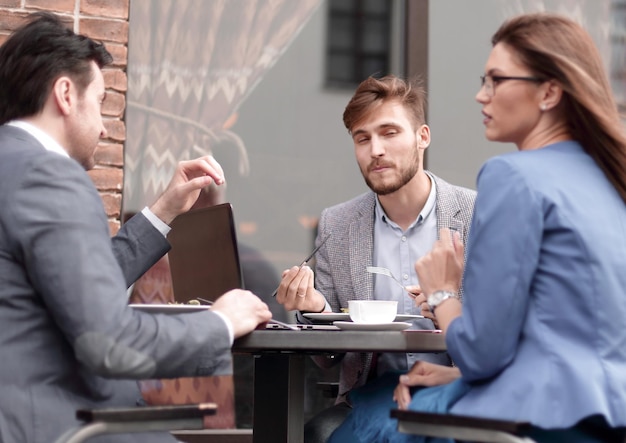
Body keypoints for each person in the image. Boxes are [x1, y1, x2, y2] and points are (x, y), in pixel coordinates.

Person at [329, 12, 626, 443]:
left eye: (496, 81)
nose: (480, 96)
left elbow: (483, 354)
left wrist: (442, 291)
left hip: (536, 419)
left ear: (548, 91)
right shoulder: (606, 179)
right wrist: (455, 372)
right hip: (605, 414)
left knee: (362, 430)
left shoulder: (513, 178)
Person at [0, 12, 272, 443]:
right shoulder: (48, 176)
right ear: (66, 94)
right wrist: (219, 322)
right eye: (103, 102)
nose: (107, 125)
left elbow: (70, 284)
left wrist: (163, 210)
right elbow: (107, 343)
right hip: (58, 425)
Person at [275, 74, 476, 442]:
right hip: (371, 393)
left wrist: (448, 306)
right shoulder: (337, 224)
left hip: (463, 387)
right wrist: (317, 308)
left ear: (423, 137)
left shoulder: (477, 213)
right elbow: (331, 361)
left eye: (389, 133)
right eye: (362, 138)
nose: (375, 150)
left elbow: (505, 327)